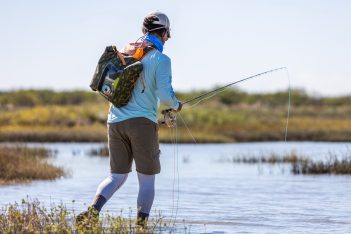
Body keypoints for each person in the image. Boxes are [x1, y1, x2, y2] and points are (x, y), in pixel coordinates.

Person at [76, 11, 182, 228]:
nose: (167, 38)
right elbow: (165, 97)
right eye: (167, 34)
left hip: (114, 122)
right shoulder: (161, 59)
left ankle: (92, 213)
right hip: (141, 123)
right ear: (162, 32)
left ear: (144, 30)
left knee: (116, 177)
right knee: (147, 180)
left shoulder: (126, 51)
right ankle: (141, 228)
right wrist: (177, 105)